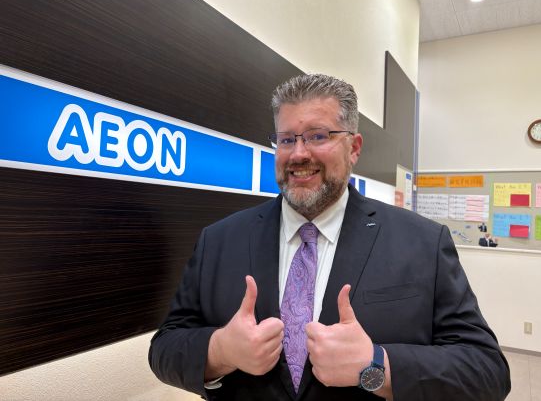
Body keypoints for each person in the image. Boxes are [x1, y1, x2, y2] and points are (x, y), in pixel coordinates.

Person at [149, 74, 510, 400]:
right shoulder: (219, 240)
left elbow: (487, 372)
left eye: (318, 136)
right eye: (286, 139)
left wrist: (376, 366)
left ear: (354, 148)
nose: (298, 154)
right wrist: (219, 351)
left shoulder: (423, 243)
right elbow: (165, 347)